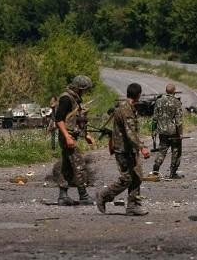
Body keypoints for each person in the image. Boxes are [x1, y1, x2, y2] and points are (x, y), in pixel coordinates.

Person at [96, 83, 150, 216]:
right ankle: (104, 195)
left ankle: (133, 205)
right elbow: (130, 132)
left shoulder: (129, 108)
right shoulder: (126, 110)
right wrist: (142, 147)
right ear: (138, 95)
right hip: (123, 150)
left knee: (137, 176)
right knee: (127, 178)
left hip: (129, 149)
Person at [54, 75, 95, 206]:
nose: (85, 92)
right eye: (85, 89)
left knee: (67, 166)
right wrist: (67, 136)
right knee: (79, 165)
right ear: (79, 88)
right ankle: (83, 195)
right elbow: (59, 119)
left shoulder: (75, 99)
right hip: (68, 137)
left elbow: (77, 119)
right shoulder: (66, 98)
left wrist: (86, 135)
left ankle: (63, 196)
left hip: (71, 136)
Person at [151, 83, 184, 179]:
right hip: (174, 132)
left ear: (166, 91)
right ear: (174, 91)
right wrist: (181, 133)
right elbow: (179, 121)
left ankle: (155, 169)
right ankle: (172, 173)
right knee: (176, 151)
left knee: (162, 151)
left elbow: (154, 118)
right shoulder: (176, 102)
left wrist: (153, 131)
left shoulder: (158, 101)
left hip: (162, 131)